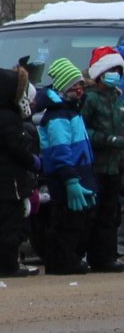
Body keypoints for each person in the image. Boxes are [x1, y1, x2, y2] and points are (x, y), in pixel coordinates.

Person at [30, 57, 97, 276]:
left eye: (80, 85)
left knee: (78, 222)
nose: (79, 90)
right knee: (66, 222)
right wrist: (71, 180)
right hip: (66, 177)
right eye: (74, 86)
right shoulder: (58, 115)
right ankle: (62, 262)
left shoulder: (71, 111)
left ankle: (72, 258)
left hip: (79, 174)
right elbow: (60, 150)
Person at [0, 69, 38, 277]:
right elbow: (17, 149)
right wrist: (33, 162)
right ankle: (7, 266)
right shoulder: (7, 120)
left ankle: (4, 263)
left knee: (1, 226)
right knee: (8, 227)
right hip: (9, 184)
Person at [81, 49, 124, 271]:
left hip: (115, 166)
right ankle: (96, 256)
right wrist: (107, 139)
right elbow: (83, 131)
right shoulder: (91, 99)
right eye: (111, 71)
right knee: (96, 214)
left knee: (111, 212)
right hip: (97, 166)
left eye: (118, 71)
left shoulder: (117, 97)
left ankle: (108, 256)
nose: (115, 74)